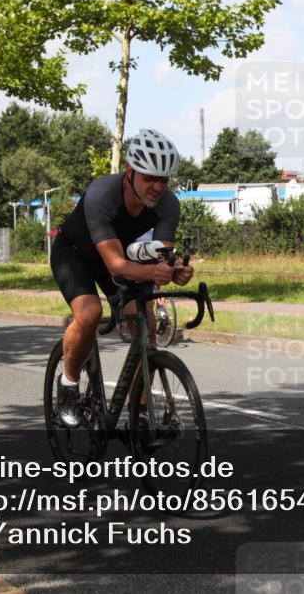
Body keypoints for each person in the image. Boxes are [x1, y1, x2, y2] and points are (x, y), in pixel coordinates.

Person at [49, 129, 194, 427]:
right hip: (75, 254)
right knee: (89, 313)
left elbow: (162, 257)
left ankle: (138, 412)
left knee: (147, 322)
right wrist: (155, 272)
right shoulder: (102, 194)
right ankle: (69, 383)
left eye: (163, 180)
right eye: (149, 178)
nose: (157, 187)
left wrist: (174, 270)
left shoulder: (169, 205)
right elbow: (116, 265)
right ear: (130, 172)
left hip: (119, 258)